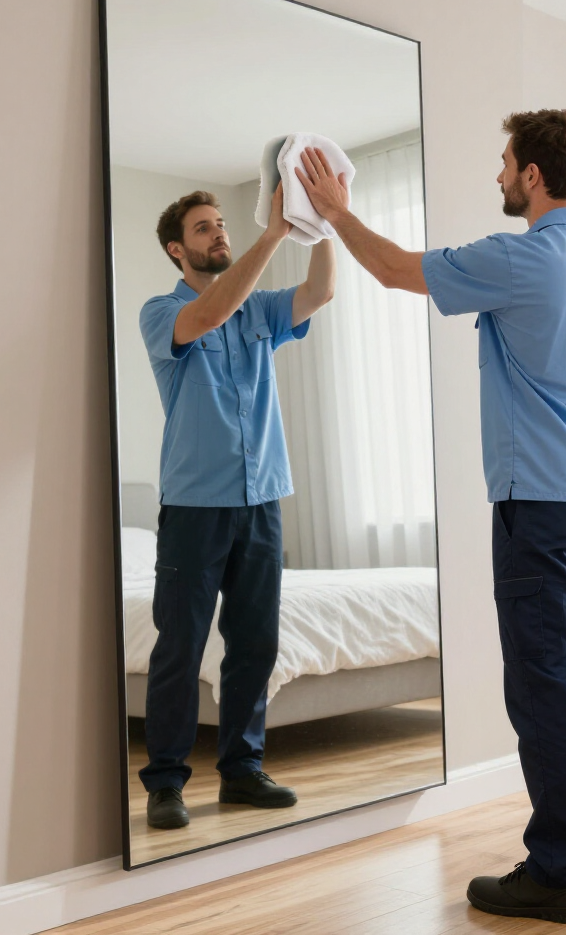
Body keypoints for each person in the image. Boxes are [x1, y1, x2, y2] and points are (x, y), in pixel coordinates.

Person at [295, 110, 566, 924]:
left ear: (535, 175)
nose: (499, 177)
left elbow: (399, 270)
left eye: (506, 164)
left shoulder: (520, 258)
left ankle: (560, 872)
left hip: (540, 504)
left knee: (546, 683)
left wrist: (334, 213)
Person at [138, 184, 335, 830]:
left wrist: (323, 223)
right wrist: (273, 234)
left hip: (263, 500)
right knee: (181, 644)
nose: (219, 233)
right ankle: (166, 781)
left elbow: (320, 293)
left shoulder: (260, 309)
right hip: (196, 506)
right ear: (177, 248)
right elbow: (210, 316)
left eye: (222, 224)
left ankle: (243, 771)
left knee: (254, 642)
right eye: (204, 228)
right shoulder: (161, 311)